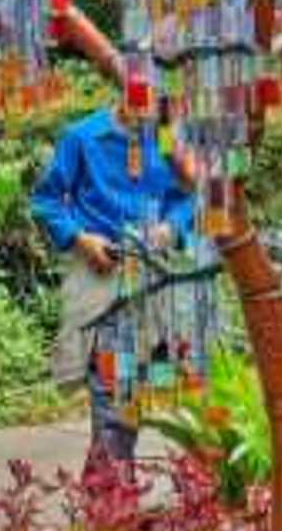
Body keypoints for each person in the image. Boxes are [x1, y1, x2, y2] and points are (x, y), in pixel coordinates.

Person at [30, 94, 196, 476]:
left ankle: (109, 497)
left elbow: (190, 197)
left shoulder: (168, 140)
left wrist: (172, 227)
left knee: (147, 391)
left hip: (157, 282)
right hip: (103, 282)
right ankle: (111, 499)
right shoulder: (83, 137)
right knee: (114, 393)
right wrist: (80, 239)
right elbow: (47, 200)